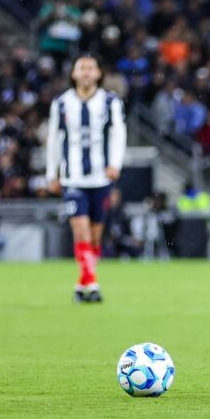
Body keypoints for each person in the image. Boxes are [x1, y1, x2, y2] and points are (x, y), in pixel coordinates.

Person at [46, 53, 126, 303]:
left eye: (91, 68)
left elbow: (118, 135)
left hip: (101, 178)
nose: (86, 72)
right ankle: (92, 282)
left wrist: (115, 164)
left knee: (94, 236)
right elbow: (53, 140)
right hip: (73, 178)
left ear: (99, 74)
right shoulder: (61, 103)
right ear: (74, 74)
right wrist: (52, 172)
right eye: (82, 68)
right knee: (80, 231)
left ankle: (83, 284)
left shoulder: (110, 102)